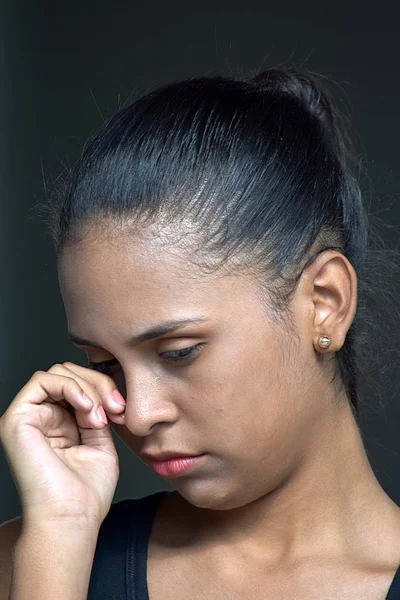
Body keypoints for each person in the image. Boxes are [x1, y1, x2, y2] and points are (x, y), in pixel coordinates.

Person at [1, 67, 400, 600]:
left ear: (324, 304)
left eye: (179, 352)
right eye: (105, 364)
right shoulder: (35, 560)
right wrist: (58, 537)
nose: (138, 415)